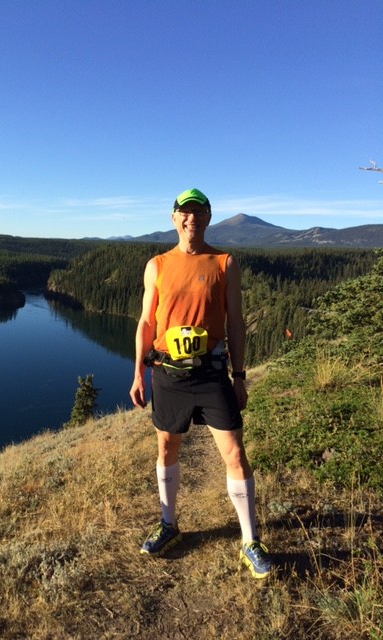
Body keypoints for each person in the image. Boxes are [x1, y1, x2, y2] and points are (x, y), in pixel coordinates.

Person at [129, 188, 273, 579]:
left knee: (235, 453)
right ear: (173, 218)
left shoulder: (225, 262)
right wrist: (138, 373)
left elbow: (236, 322)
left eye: (198, 212)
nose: (191, 219)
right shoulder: (156, 265)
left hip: (211, 374)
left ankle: (250, 540)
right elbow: (146, 323)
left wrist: (239, 376)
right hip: (167, 373)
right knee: (166, 447)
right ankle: (168, 524)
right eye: (184, 212)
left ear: (208, 217)